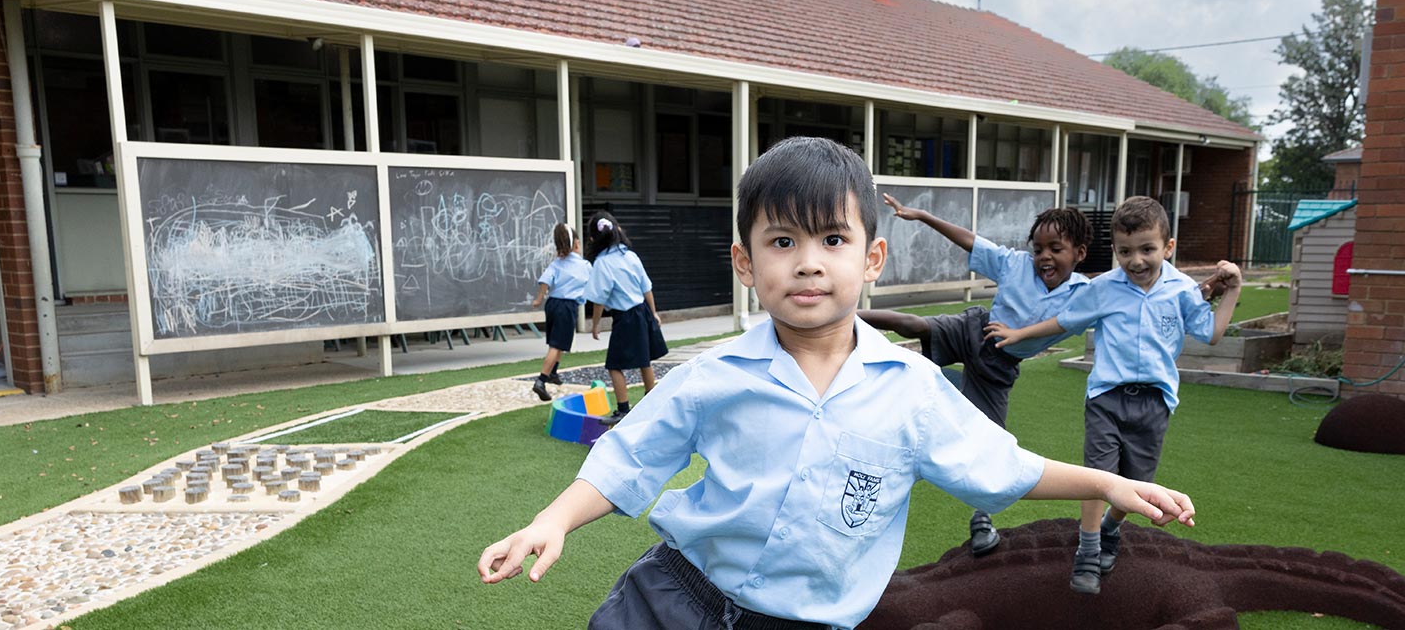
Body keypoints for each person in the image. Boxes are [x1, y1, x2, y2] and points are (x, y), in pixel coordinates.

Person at [479, 138, 1196, 630]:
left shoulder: (909, 389)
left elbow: (998, 464)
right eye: (782, 242)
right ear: (744, 261)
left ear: (873, 257)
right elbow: (630, 457)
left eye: (833, 240)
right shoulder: (713, 377)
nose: (809, 263)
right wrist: (552, 520)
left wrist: (1105, 484)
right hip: (674, 597)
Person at [984, 195, 1241, 596]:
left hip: (1155, 402)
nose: (1136, 260)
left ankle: (1111, 529)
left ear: (1167, 248)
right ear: (1115, 249)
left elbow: (1211, 333)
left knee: (1136, 483)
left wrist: (1231, 291)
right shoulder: (1104, 288)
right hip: (1106, 396)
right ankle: (1087, 550)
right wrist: (1019, 333)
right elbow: (1062, 320)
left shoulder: (1183, 290)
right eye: (1125, 251)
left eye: (1147, 249)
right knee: (1100, 477)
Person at [858, 197, 1092, 556]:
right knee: (915, 325)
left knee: (992, 445)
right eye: (1038, 249)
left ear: (1079, 253)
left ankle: (981, 521)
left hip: (997, 369)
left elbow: (1126, 302)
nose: (1044, 256)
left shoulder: (1088, 296)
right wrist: (921, 215)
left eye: (1055, 249)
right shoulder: (1015, 265)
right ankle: (846, 314)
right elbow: (970, 240)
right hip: (974, 331)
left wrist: (1200, 292)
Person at [584, 210, 665, 424]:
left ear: (594, 238)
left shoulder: (602, 263)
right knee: (644, 360)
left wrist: (595, 325)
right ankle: (652, 404)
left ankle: (623, 410)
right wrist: (654, 313)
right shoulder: (630, 255)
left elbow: (599, 298)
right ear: (617, 231)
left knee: (614, 364)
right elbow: (646, 287)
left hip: (625, 318)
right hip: (642, 312)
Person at [530, 222, 590, 401]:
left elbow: (544, 281)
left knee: (560, 341)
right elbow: (594, 285)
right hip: (567, 306)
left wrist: (539, 298)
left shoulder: (556, 264)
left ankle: (553, 373)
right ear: (576, 244)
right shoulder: (584, 265)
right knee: (556, 345)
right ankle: (541, 380)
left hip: (553, 304)